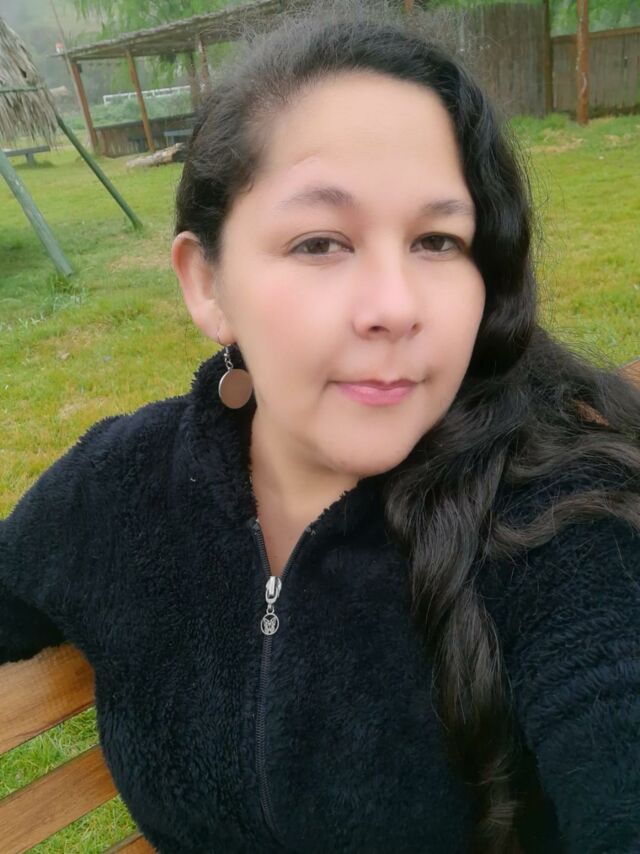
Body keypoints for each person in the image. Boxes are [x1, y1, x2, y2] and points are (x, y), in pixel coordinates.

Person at [1, 2, 639, 852]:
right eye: (320, 243)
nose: (395, 307)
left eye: (438, 241)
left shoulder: (555, 519)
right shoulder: (121, 486)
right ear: (207, 284)